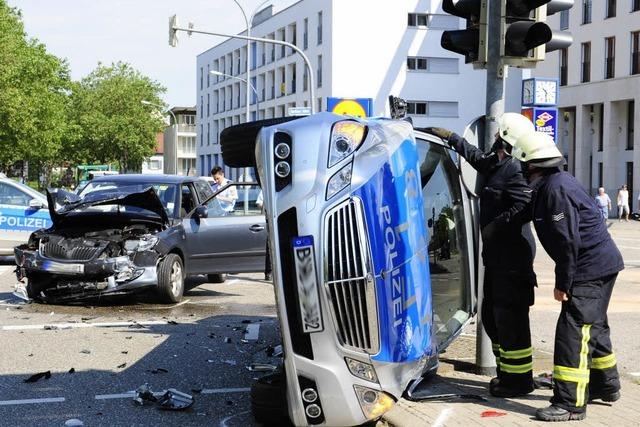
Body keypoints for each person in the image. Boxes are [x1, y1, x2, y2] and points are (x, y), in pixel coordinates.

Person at [513, 131, 624, 422]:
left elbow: (567, 242)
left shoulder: (555, 190)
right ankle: (605, 385)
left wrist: (563, 283)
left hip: (588, 269)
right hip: (599, 265)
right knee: (593, 326)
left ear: (531, 165)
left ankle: (570, 404)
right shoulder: (553, 184)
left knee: (572, 332)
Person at [426, 112, 537, 398]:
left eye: (499, 136)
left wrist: (495, 227)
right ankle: (507, 374)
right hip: (497, 258)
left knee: (510, 320)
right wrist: (452, 139)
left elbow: (526, 205)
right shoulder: (497, 163)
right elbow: (477, 158)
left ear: (506, 141)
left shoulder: (515, 169)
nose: (495, 140)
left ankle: (519, 380)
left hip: (512, 259)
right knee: (492, 317)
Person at [256, 190, 272, 281]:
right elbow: (259, 203)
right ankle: (268, 272)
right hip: (268, 220)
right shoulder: (265, 189)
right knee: (269, 247)